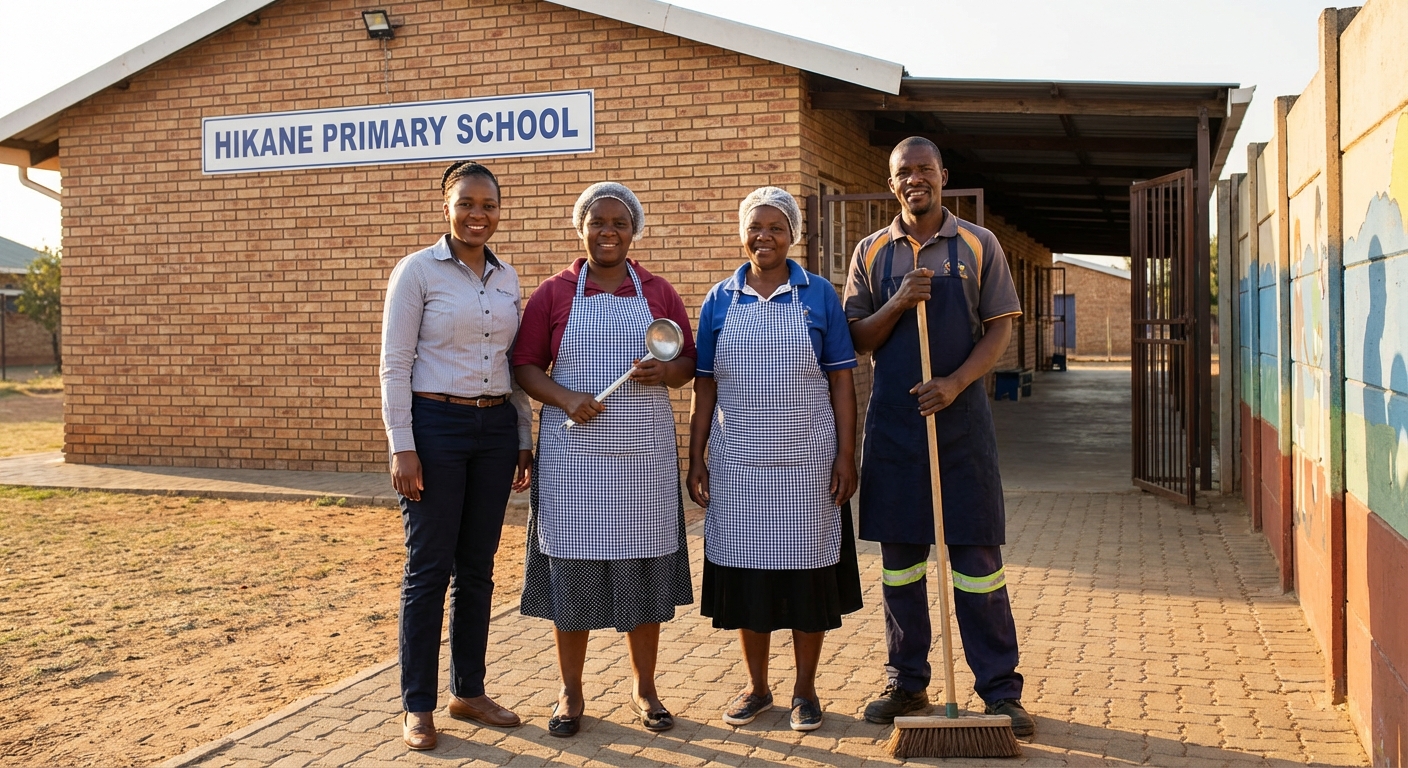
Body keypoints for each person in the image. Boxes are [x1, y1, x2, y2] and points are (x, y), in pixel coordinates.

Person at [843, 137, 1036, 738]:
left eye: (924, 169)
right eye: (904, 172)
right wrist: (900, 300)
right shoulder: (872, 252)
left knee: (978, 561)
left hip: (961, 425)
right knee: (900, 565)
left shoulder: (980, 245)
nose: (914, 179)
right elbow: (858, 339)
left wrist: (953, 383)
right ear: (893, 182)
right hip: (895, 431)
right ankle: (907, 683)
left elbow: (1000, 330)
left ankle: (1000, 691)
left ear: (942, 176)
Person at [512, 182, 696, 738]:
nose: (608, 231)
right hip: (576, 464)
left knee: (642, 578)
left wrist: (664, 372)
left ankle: (645, 689)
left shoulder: (658, 292)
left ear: (633, 230)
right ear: (581, 228)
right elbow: (524, 366)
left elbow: (687, 361)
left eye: (619, 222)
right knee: (573, 584)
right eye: (598, 222)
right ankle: (571, 693)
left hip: (642, 462)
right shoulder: (554, 293)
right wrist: (567, 398)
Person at [687, 187, 863, 732]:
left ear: (793, 235)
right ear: (743, 233)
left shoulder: (819, 296)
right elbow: (705, 387)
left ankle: (805, 691)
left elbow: (841, 382)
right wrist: (695, 457)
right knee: (749, 584)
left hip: (808, 466)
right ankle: (758, 688)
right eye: (755, 227)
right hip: (739, 468)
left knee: (807, 583)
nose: (764, 236)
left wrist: (846, 454)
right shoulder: (720, 299)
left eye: (776, 227)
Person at [379, 161, 534, 751]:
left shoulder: (506, 277)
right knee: (429, 569)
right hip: (435, 425)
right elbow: (394, 365)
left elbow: (512, 366)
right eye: (467, 203)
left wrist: (521, 436)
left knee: (477, 567)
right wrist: (403, 445)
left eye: (489, 205)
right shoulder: (416, 272)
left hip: (494, 428)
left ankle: (468, 690)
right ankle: (417, 705)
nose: (478, 215)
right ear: (446, 207)